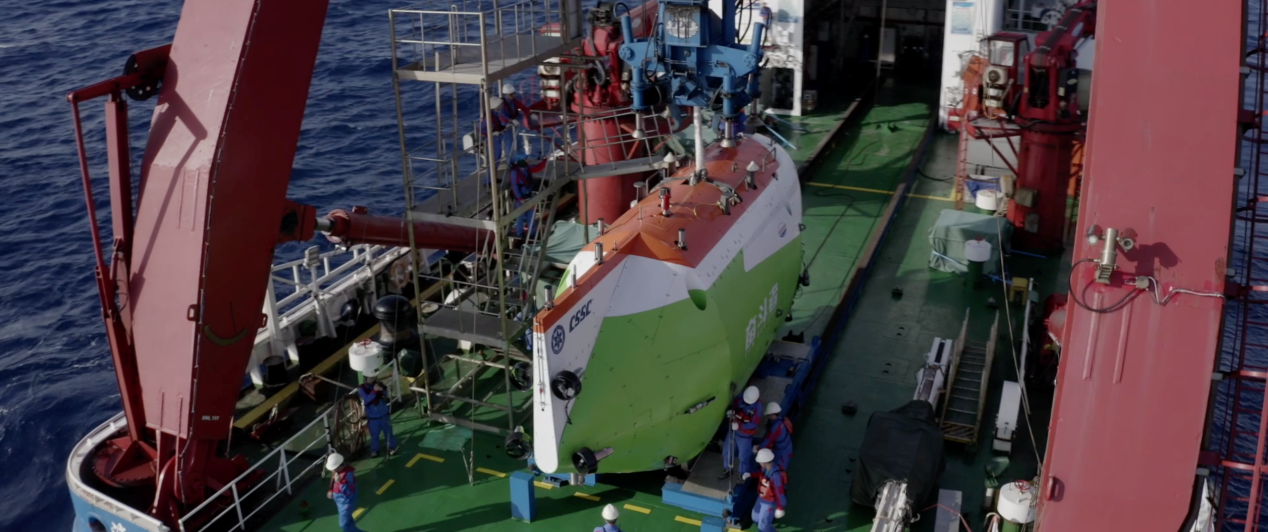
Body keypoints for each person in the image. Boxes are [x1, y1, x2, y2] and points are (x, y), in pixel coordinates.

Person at [720, 385, 763, 480]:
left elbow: (754, 424)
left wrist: (740, 426)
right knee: (727, 451)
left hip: (745, 436)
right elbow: (734, 407)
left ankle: (742, 475)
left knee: (744, 456)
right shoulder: (740, 398)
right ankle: (727, 469)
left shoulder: (758, 407)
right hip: (733, 430)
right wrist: (731, 412)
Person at [508, 155, 549, 237]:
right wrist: (520, 198)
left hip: (529, 196)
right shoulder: (514, 172)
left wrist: (545, 161)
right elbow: (515, 186)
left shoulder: (526, 168)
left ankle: (532, 233)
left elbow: (537, 168)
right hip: (521, 199)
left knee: (531, 215)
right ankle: (520, 233)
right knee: (520, 216)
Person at [357, 373, 397, 458]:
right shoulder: (362, 388)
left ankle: (391, 447)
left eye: (373, 377)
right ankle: (375, 450)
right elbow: (366, 400)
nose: (372, 379)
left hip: (384, 415)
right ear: (365, 378)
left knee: (388, 433)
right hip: (373, 418)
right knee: (374, 435)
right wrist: (374, 391)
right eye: (370, 378)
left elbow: (386, 394)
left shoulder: (378, 384)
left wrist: (382, 390)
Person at [326, 453, 366, 532]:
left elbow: (349, 491)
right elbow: (333, 480)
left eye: (333, 468)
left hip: (346, 503)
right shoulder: (337, 471)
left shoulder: (348, 475)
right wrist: (331, 490)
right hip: (340, 502)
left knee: (344, 525)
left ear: (339, 467)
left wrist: (340, 482)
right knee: (349, 521)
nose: (332, 470)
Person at [750, 448, 787, 532]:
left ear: (764, 462)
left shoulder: (776, 475)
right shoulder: (765, 469)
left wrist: (780, 507)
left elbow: (779, 492)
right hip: (761, 498)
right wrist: (750, 475)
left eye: (760, 461)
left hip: (769, 502)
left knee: (763, 527)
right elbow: (760, 474)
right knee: (755, 518)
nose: (759, 463)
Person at [757, 401, 793, 470]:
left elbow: (768, 439)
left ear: (773, 415)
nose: (768, 417)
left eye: (769, 415)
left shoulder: (775, 427)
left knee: (778, 469)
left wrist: (759, 448)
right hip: (787, 446)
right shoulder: (781, 419)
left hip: (782, 452)